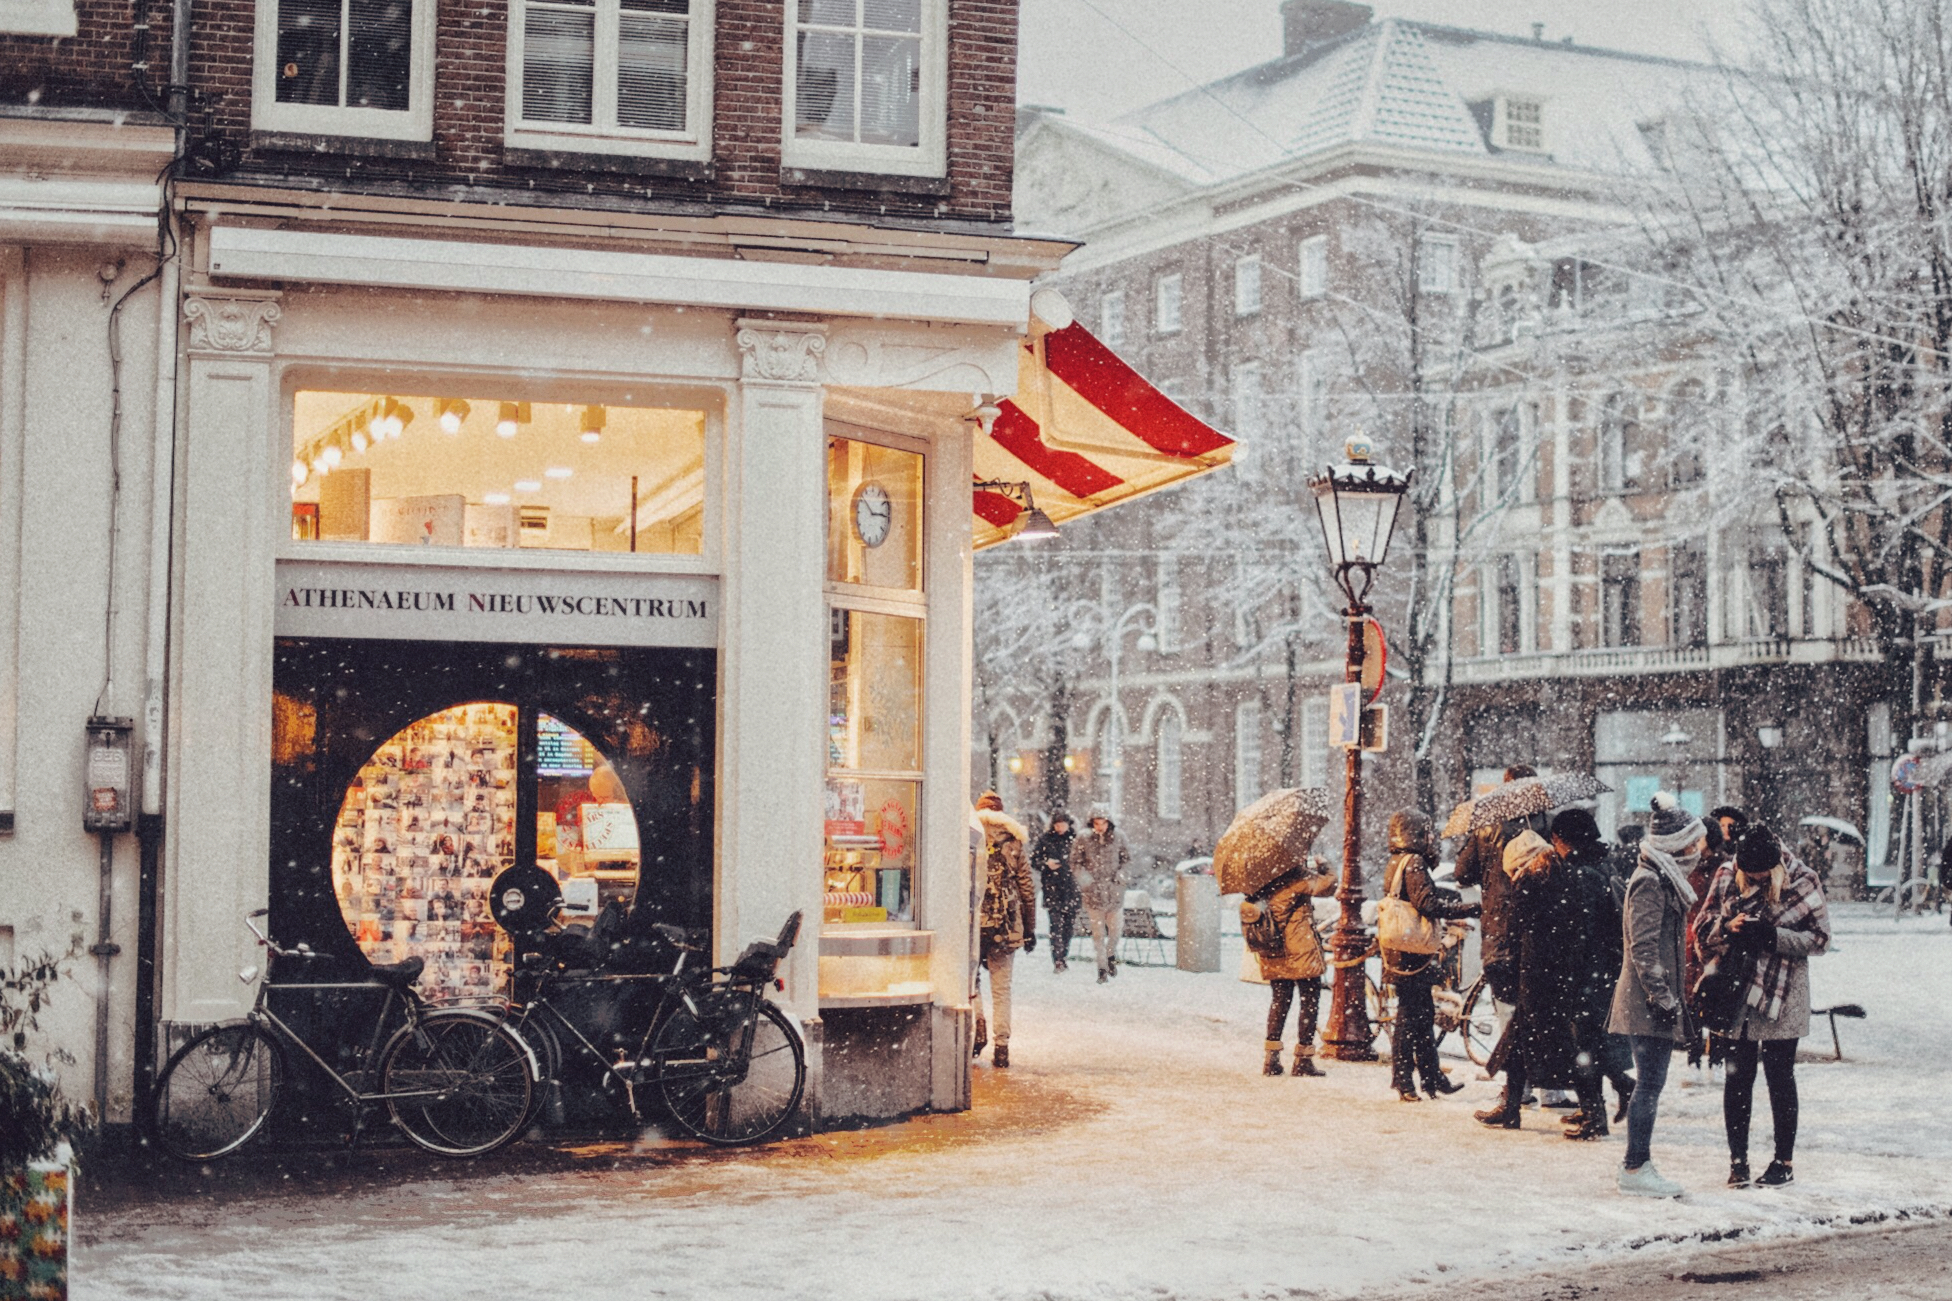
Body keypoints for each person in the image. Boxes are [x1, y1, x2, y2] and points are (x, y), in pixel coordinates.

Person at [1692, 824, 1831, 1188]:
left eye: (1759, 875)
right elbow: (1702, 926)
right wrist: (1729, 926)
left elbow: (1820, 939)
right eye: (1746, 873)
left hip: (1784, 994)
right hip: (1737, 990)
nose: (1751, 879)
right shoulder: (1726, 873)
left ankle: (1783, 1161)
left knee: (1780, 1079)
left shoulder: (1804, 879)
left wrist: (1772, 937)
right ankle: (1737, 1161)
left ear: (1775, 865)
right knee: (1737, 1079)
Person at [1609, 792, 1706, 1198]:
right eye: (1692, 843)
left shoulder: (1663, 877)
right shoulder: (1649, 881)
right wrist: (1663, 997)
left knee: (1650, 1084)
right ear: (1674, 845)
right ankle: (1635, 1167)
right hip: (1648, 1002)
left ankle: (1637, 1163)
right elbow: (1643, 948)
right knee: (1649, 1085)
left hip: (1653, 999)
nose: (1698, 851)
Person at [1475, 829, 1597, 1132]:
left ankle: (1597, 1107)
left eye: (1514, 869)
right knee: (1519, 1043)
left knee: (1559, 1046)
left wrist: (1514, 971)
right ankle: (1511, 1107)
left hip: (1534, 978)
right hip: (1559, 976)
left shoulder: (1528, 883)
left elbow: (1516, 936)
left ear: (1521, 863)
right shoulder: (1566, 877)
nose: (1513, 875)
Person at [1381, 811, 1480, 1101]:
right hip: (1412, 953)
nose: (1432, 838)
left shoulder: (1398, 861)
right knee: (1410, 1017)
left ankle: (1431, 1077)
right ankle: (1405, 1080)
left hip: (1402, 950)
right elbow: (1425, 903)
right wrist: (1467, 909)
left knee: (1421, 1015)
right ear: (1415, 835)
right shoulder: (1414, 863)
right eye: (1427, 833)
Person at [1550, 809, 1635, 1136]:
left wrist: (1566, 969)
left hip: (1586, 972)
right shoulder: (1606, 863)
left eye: (1556, 839)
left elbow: (1579, 932)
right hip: (1605, 970)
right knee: (1592, 1041)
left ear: (1563, 839)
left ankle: (1593, 1118)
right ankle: (1613, 1093)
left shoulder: (1581, 874)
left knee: (1582, 1045)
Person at [1453, 764, 1539, 1040]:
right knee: (1539, 1003)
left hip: (1501, 925)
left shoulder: (1487, 826)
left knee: (1507, 1004)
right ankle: (1540, 1071)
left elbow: (1462, 874)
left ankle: (1514, 1073)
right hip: (1540, 925)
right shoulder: (1546, 824)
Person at [1241, 854, 1337, 1077]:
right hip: (1299, 948)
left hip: (1273, 947)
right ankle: (1303, 1059)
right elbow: (1328, 886)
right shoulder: (1295, 876)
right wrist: (1324, 864)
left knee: (1280, 1000)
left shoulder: (1259, 879)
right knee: (1309, 999)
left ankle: (1271, 1058)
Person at [973, 791, 1036, 1068]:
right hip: (1006, 924)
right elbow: (1027, 889)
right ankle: (1002, 1046)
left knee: (970, 982)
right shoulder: (1014, 842)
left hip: (974, 923)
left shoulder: (969, 836)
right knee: (1002, 988)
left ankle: (978, 1027)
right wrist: (1029, 928)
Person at [1071, 807, 1130, 984]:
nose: (1100, 827)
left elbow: (1127, 859)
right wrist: (1086, 880)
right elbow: (1075, 862)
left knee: (1115, 931)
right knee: (1097, 934)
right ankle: (1102, 967)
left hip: (1114, 891)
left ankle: (1110, 954)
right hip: (1093, 892)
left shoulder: (1119, 837)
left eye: (1103, 823)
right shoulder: (1083, 838)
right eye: (1096, 823)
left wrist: (1121, 875)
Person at [1032, 811, 1080, 972]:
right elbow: (1034, 860)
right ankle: (1058, 959)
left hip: (1071, 889)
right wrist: (1047, 864)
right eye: (1057, 824)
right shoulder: (1046, 840)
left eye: (1062, 824)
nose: (1060, 828)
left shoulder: (1076, 840)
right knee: (1055, 926)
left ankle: (1063, 956)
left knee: (1068, 927)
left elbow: (1085, 861)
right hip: (1052, 888)